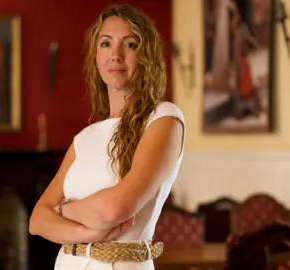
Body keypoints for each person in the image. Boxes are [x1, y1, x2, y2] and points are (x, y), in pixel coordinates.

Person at [29, 4, 185, 270]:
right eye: (105, 44)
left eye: (130, 44)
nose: (116, 55)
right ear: (95, 57)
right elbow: (36, 221)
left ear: (147, 55)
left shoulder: (164, 119)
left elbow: (114, 209)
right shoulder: (85, 138)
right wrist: (86, 235)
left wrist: (62, 212)